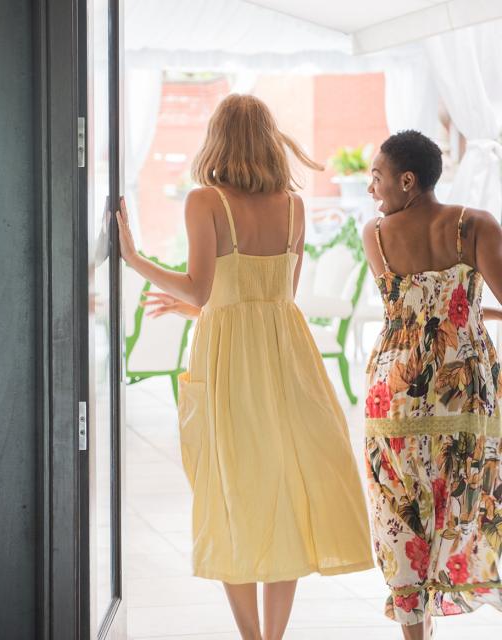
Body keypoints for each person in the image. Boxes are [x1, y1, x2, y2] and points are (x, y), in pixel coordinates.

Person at [116, 94, 373, 640]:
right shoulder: (294, 206)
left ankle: (251, 639)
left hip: (230, 362)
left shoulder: (205, 201)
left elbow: (203, 289)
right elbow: (276, 296)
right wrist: (198, 306)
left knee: (231, 493)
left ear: (217, 138)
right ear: (269, 138)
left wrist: (136, 261)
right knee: (283, 494)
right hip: (289, 360)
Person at [362, 130, 502, 640]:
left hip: (393, 390)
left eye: (376, 176)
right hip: (463, 387)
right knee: (465, 494)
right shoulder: (474, 225)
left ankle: (415, 636)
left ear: (407, 179)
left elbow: (407, 309)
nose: (370, 186)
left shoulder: (373, 236)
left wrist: (455, 305)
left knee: (398, 509)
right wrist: (467, 307)